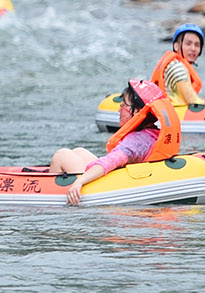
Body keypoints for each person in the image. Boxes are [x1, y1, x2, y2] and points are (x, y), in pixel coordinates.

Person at [51, 79, 182, 206]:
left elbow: (110, 162)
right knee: (79, 152)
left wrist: (79, 183)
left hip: (108, 187)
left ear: (136, 111)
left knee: (61, 155)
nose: (119, 109)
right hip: (125, 178)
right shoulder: (152, 134)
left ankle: (54, 196)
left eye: (124, 105)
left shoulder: (136, 141)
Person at [151, 24, 205, 106]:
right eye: (188, 44)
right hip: (175, 114)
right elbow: (192, 101)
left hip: (171, 111)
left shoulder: (174, 64)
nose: (193, 49)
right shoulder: (177, 68)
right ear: (176, 46)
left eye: (197, 45)